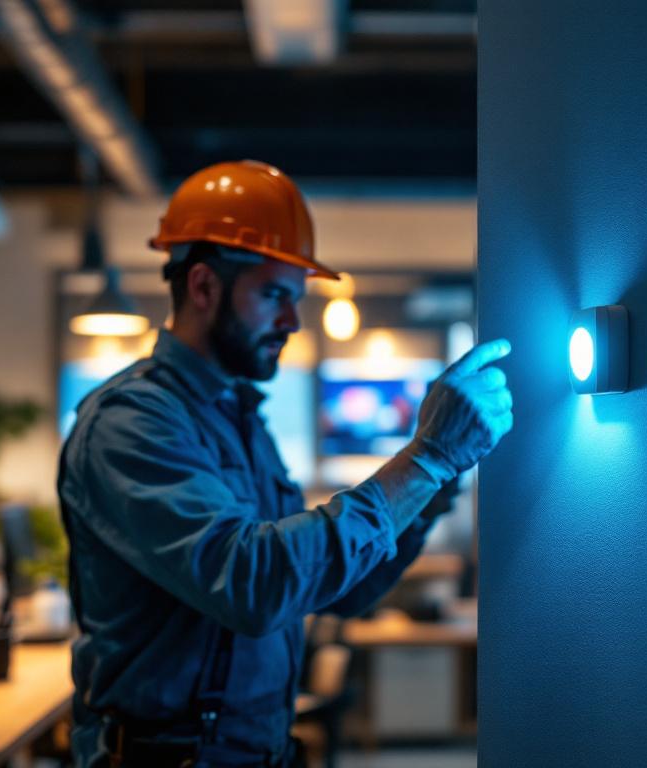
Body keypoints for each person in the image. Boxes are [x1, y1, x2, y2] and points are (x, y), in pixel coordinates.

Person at [58, 160, 513, 767]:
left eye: (295, 300)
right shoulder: (130, 423)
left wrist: (434, 484)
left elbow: (335, 591)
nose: (292, 323)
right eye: (274, 295)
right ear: (202, 287)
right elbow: (256, 585)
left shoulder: (242, 419)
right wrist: (426, 457)